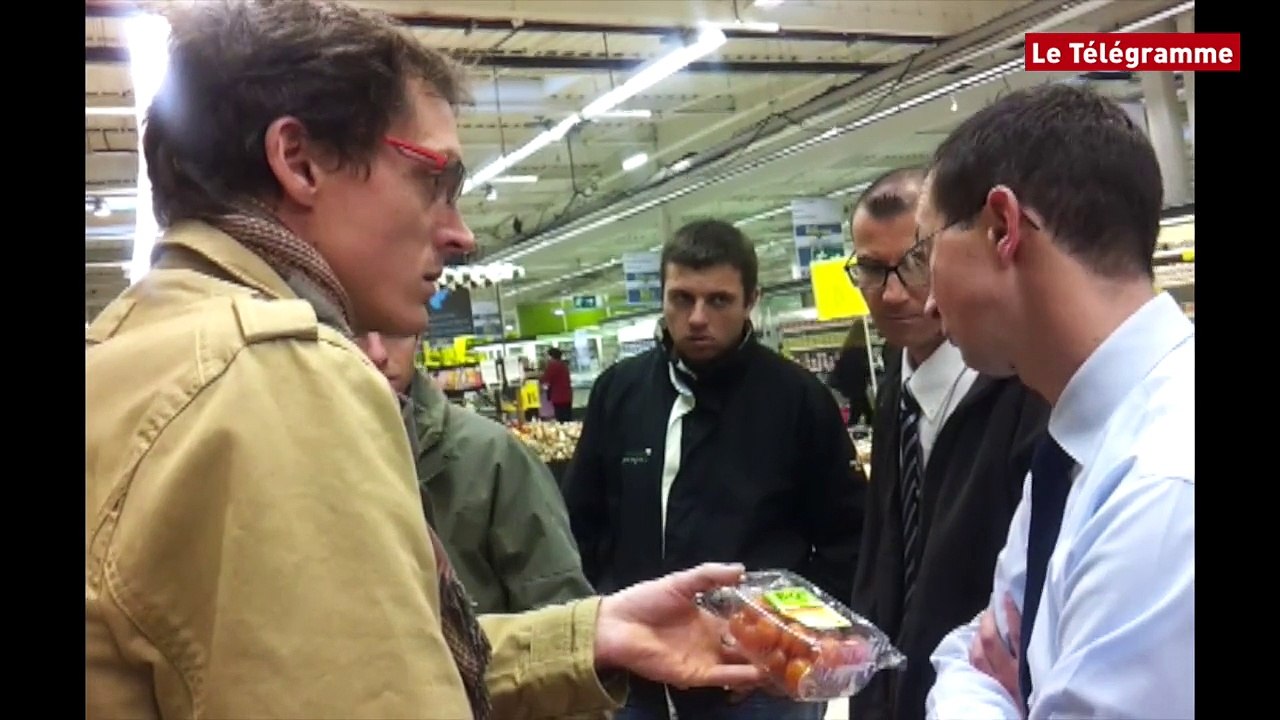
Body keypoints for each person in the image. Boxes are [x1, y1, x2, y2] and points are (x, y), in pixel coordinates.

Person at [84, 2, 764, 718]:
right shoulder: (273, 377)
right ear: (299, 161)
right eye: (434, 180)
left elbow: (337, 670)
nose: (461, 233)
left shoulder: (139, 353)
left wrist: (592, 633)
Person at [919, 84, 1194, 719]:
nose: (929, 303)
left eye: (925, 251)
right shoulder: (1076, 450)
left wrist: (1016, 693)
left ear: (1001, 228)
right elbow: (969, 652)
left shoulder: (1164, 486)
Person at [563, 218, 866, 720]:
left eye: (719, 300)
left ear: (751, 300)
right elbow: (582, 522)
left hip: (756, 683)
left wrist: (788, 645)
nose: (697, 317)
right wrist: (607, 618)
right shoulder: (619, 393)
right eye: (681, 298)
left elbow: (846, 537)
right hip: (640, 680)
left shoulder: (797, 400)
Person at [842, 167, 1048, 720]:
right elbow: (884, 549)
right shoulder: (895, 381)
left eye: (914, 262)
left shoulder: (1025, 391)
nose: (892, 293)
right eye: (869, 270)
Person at [358, 331, 595, 614]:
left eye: (391, 330)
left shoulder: (492, 455)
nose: (377, 353)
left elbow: (558, 611)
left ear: (418, 336)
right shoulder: (300, 464)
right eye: (355, 331)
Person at [827, 320, 874, 428]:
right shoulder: (861, 350)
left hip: (849, 383)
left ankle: (859, 423)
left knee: (859, 403)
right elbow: (862, 369)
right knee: (859, 403)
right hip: (857, 383)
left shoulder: (847, 348)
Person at [543, 347, 574, 421]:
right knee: (568, 417)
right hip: (567, 395)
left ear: (551, 356)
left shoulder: (553, 365)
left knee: (560, 418)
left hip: (558, 397)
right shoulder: (563, 364)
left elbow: (546, 379)